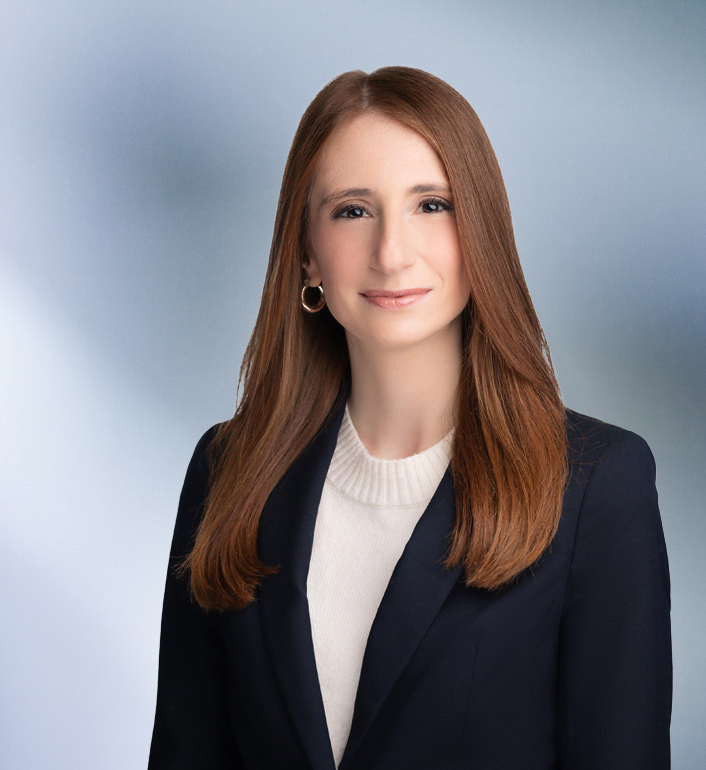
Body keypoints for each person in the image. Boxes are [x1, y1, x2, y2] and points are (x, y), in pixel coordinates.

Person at [147, 66, 672, 769]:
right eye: (353, 211)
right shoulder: (228, 472)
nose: (392, 254)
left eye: (432, 205)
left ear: (479, 231)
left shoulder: (595, 487)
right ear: (307, 256)